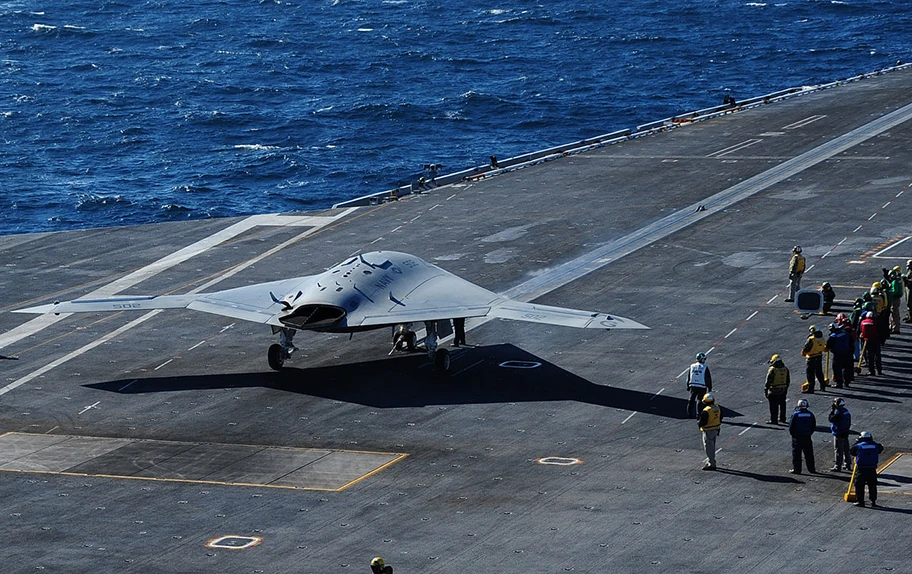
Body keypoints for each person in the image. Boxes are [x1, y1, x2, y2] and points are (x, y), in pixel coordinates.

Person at [849, 431, 884, 507]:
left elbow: (852, 451)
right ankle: (873, 501)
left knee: (859, 485)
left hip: (862, 469)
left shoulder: (859, 446)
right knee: (872, 485)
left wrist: (856, 442)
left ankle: (860, 501)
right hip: (872, 468)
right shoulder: (876, 445)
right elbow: (880, 449)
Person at [789, 398, 816, 474]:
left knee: (796, 454)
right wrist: (809, 433)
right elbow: (813, 426)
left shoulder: (795, 414)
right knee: (809, 454)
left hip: (797, 437)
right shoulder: (810, 414)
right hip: (807, 436)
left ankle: (797, 469)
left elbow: (791, 426)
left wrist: (793, 435)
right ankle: (811, 469)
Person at [698, 392, 722, 470]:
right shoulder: (717, 408)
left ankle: (712, 463)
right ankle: (710, 461)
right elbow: (720, 417)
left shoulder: (706, 411)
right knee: (712, 445)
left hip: (708, 430)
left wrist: (699, 423)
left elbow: (702, 422)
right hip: (715, 428)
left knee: (708, 447)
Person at [825, 322, 852, 389]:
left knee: (837, 369)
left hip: (838, 354)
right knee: (846, 368)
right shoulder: (845, 332)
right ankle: (847, 382)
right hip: (847, 352)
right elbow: (851, 341)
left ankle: (839, 383)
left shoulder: (833, 336)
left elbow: (828, 345)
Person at [764, 354, 790, 424]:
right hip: (783, 390)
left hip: (774, 391)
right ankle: (783, 418)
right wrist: (786, 389)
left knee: (773, 407)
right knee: (782, 405)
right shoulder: (785, 369)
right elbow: (788, 381)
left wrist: (766, 390)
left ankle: (774, 420)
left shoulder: (772, 369)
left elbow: (768, 381)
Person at [686, 352, 712, 419]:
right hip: (702, 386)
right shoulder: (705, 367)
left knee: (691, 400)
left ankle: (689, 414)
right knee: (700, 401)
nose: (704, 360)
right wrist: (709, 386)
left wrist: (688, 385)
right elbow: (708, 377)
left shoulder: (692, 366)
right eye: (703, 359)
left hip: (693, 385)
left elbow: (688, 376)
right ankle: (699, 414)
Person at [828, 398, 852, 472]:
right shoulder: (846, 411)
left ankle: (838, 466)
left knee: (838, 450)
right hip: (845, 432)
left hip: (839, 433)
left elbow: (831, 419)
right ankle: (848, 464)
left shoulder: (838, 413)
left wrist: (832, 411)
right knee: (846, 450)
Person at [801, 325, 826, 392]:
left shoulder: (811, 339)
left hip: (811, 358)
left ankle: (811, 388)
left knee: (810, 374)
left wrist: (803, 352)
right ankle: (823, 386)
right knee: (819, 372)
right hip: (819, 356)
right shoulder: (822, 338)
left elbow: (806, 348)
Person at [859, 311, 882, 376]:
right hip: (875, 340)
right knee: (877, 355)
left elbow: (861, 331)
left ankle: (871, 371)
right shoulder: (875, 322)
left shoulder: (863, 322)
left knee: (870, 356)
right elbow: (879, 330)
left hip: (867, 340)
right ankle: (879, 370)